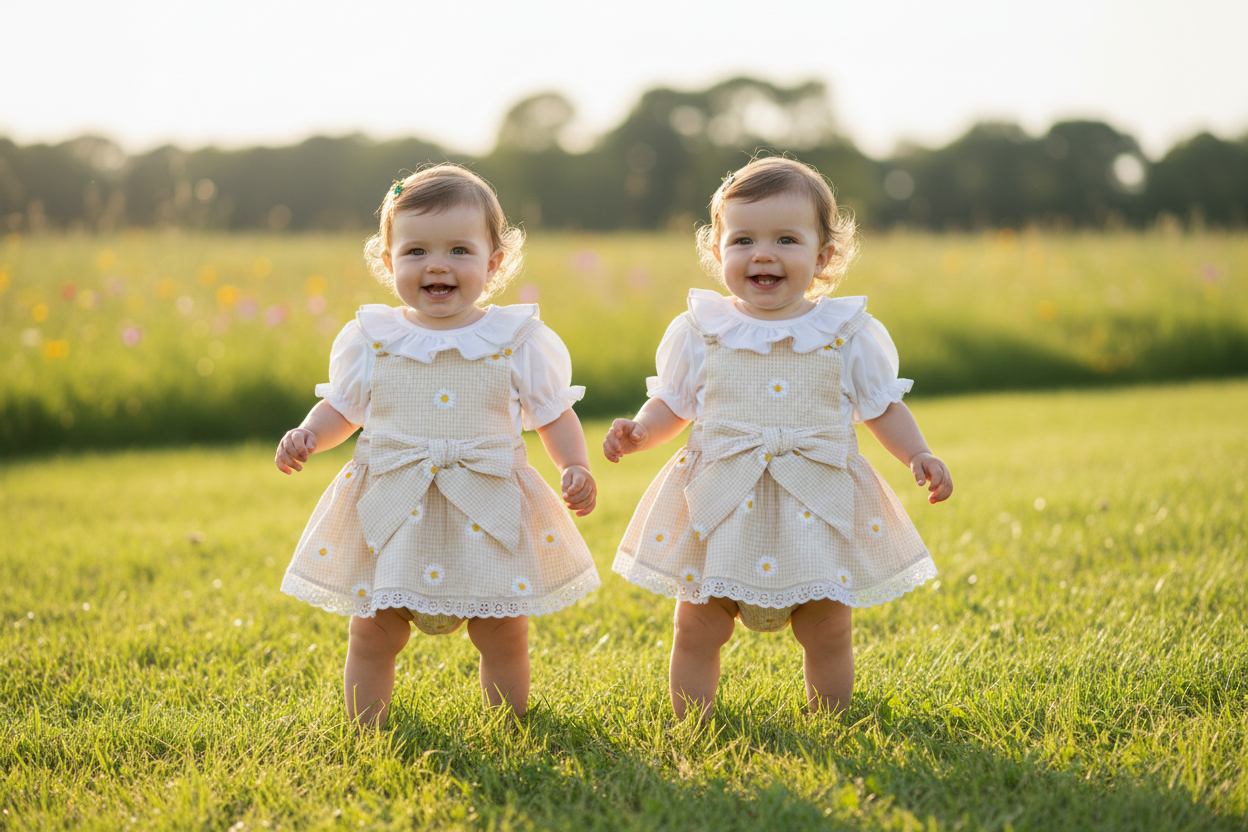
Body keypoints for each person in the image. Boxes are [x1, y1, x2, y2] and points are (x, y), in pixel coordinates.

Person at [604, 156, 952, 719]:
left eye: (786, 239)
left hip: (814, 503)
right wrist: (641, 430)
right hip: (719, 503)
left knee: (829, 626)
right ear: (718, 253)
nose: (762, 254)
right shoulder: (700, 330)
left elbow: (882, 407)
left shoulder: (846, 334)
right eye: (743, 239)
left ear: (823, 257)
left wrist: (918, 453)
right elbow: (674, 403)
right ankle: (693, 723)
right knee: (696, 623)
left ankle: (832, 720)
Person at [276, 164, 599, 727]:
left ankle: (509, 724)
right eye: (416, 251)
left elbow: (553, 413)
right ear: (388, 260)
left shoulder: (515, 340)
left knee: (503, 629)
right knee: (375, 628)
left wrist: (574, 464)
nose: (437, 265)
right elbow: (343, 410)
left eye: (458, 250)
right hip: (395, 505)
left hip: (487, 501)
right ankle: (365, 728)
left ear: (493, 263)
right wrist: (310, 433)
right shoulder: (373, 339)